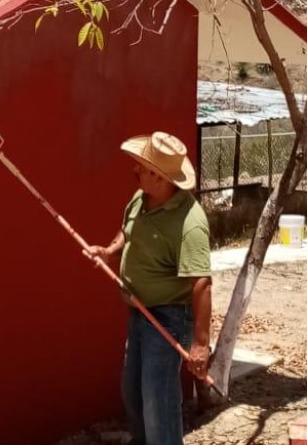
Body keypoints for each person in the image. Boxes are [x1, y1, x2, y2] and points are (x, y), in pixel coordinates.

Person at [89, 131, 212, 445]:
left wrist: (200, 344)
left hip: (170, 318)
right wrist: (108, 251)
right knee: (133, 394)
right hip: (140, 313)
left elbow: (201, 282)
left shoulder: (189, 223)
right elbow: (128, 230)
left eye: (143, 168)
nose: (136, 170)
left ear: (162, 178)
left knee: (158, 401)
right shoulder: (141, 197)